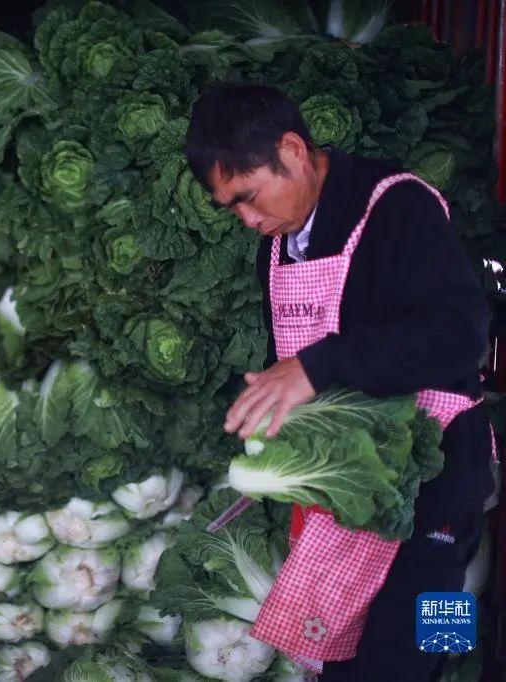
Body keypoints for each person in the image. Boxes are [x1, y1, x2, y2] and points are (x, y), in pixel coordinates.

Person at [185, 83, 495, 680]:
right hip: (356, 489)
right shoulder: (277, 249)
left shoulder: (399, 207)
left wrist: (315, 367)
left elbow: (460, 334)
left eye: (249, 197)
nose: (248, 219)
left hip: (440, 477)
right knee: (344, 653)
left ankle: (451, 663)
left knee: (425, 634)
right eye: (231, 207)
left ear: (294, 151)